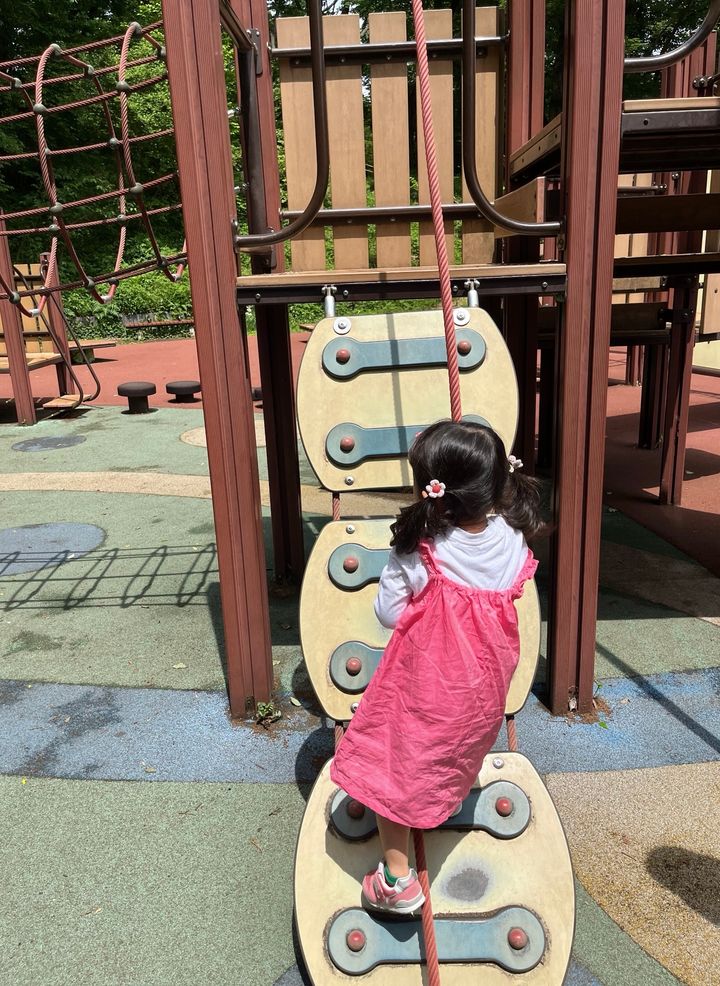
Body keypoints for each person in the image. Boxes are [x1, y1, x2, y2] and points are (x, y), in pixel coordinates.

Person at [329, 419, 544, 915]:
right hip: (483, 686)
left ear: (432, 489)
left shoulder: (421, 550)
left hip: (428, 684)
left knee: (394, 765)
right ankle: (439, 800)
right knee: (454, 748)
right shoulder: (513, 537)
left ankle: (395, 880)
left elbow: (388, 613)